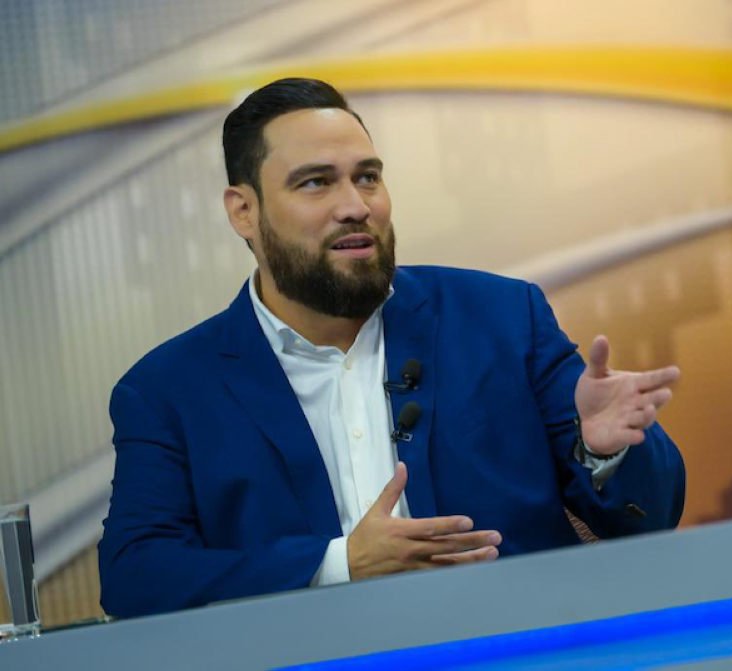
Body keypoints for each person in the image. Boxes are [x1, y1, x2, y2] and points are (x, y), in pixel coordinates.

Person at [98, 78, 685, 618]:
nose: (356, 206)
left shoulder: (503, 319)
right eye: (316, 182)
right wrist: (339, 567)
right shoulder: (168, 391)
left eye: (368, 177)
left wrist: (606, 451)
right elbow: (135, 577)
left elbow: (651, 519)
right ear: (244, 211)